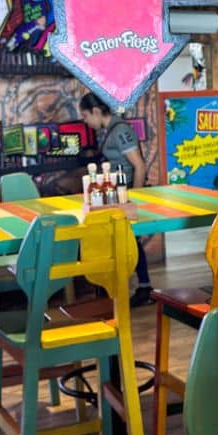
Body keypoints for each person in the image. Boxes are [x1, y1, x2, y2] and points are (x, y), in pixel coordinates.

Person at [79, 92, 152, 307]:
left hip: (125, 191)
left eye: (85, 116)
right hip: (116, 192)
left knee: (131, 240)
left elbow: (139, 166)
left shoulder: (120, 131)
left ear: (96, 111)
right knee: (124, 240)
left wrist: (133, 197)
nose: (85, 122)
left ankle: (144, 287)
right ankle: (127, 288)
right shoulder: (109, 130)